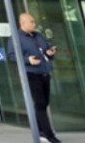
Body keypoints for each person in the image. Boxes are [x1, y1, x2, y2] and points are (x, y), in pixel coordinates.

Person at [15, 12, 61, 143]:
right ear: (22, 23)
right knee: (40, 103)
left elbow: (46, 49)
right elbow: (12, 55)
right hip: (31, 74)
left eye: (34, 21)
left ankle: (39, 130)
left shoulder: (39, 36)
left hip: (44, 72)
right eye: (31, 22)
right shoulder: (16, 38)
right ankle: (48, 134)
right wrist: (28, 60)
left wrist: (50, 52)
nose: (34, 24)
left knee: (44, 103)